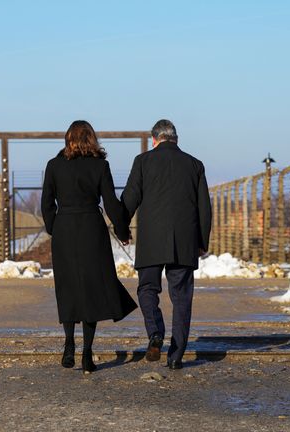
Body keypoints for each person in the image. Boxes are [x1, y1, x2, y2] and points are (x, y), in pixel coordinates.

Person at [41, 120, 137, 374]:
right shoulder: (100, 165)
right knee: (92, 289)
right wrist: (122, 229)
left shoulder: (54, 165)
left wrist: (54, 228)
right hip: (92, 229)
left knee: (68, 286)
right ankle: (87, 354)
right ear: (92, 138)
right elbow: (111, 203)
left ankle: (69, 344)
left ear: (67, 138)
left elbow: (46, 203)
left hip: (65, 229)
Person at [120, 119, 212, 370]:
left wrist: (121, 228)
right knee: (181, 296)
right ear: (176, 139)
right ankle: (176, 355)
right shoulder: (194, 165)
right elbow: (205, 207)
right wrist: (202, 241)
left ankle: (155, 333)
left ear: (154, 139)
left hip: (151, 241)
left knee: (147, 289)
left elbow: (129, 199)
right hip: (184, 242)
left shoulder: (142, 162)